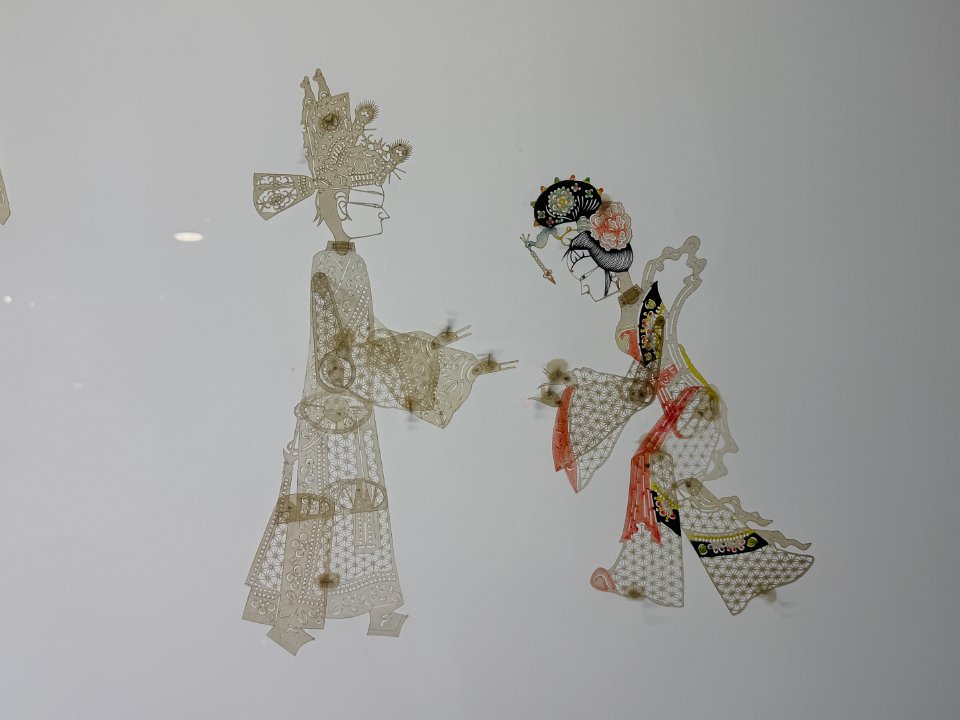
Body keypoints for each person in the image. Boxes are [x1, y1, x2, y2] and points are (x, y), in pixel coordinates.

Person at [244, 70, 513, 654]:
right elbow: (344, 350)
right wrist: (434, 359)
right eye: (374, 203)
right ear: (340, 205)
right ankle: (296, 619)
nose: (383, 215)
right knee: (322, 507)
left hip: (344, 405)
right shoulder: (333, 265)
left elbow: (364, 339)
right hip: (332, 408)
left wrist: (431, 349)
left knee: (354, 505)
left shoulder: (346, 263)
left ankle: (363, 608)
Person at [530, 178, 813, 613]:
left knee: (649, 466)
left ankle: (649, 575)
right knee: (672, 483)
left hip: (694, 406)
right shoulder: (633, 304)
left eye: (583, 274)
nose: (583, 286)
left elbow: (645, 381)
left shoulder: (645, 304)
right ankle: (753, 567)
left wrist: (583, 398)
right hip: (679, 404)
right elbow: (642, 382)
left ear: (603, 263)